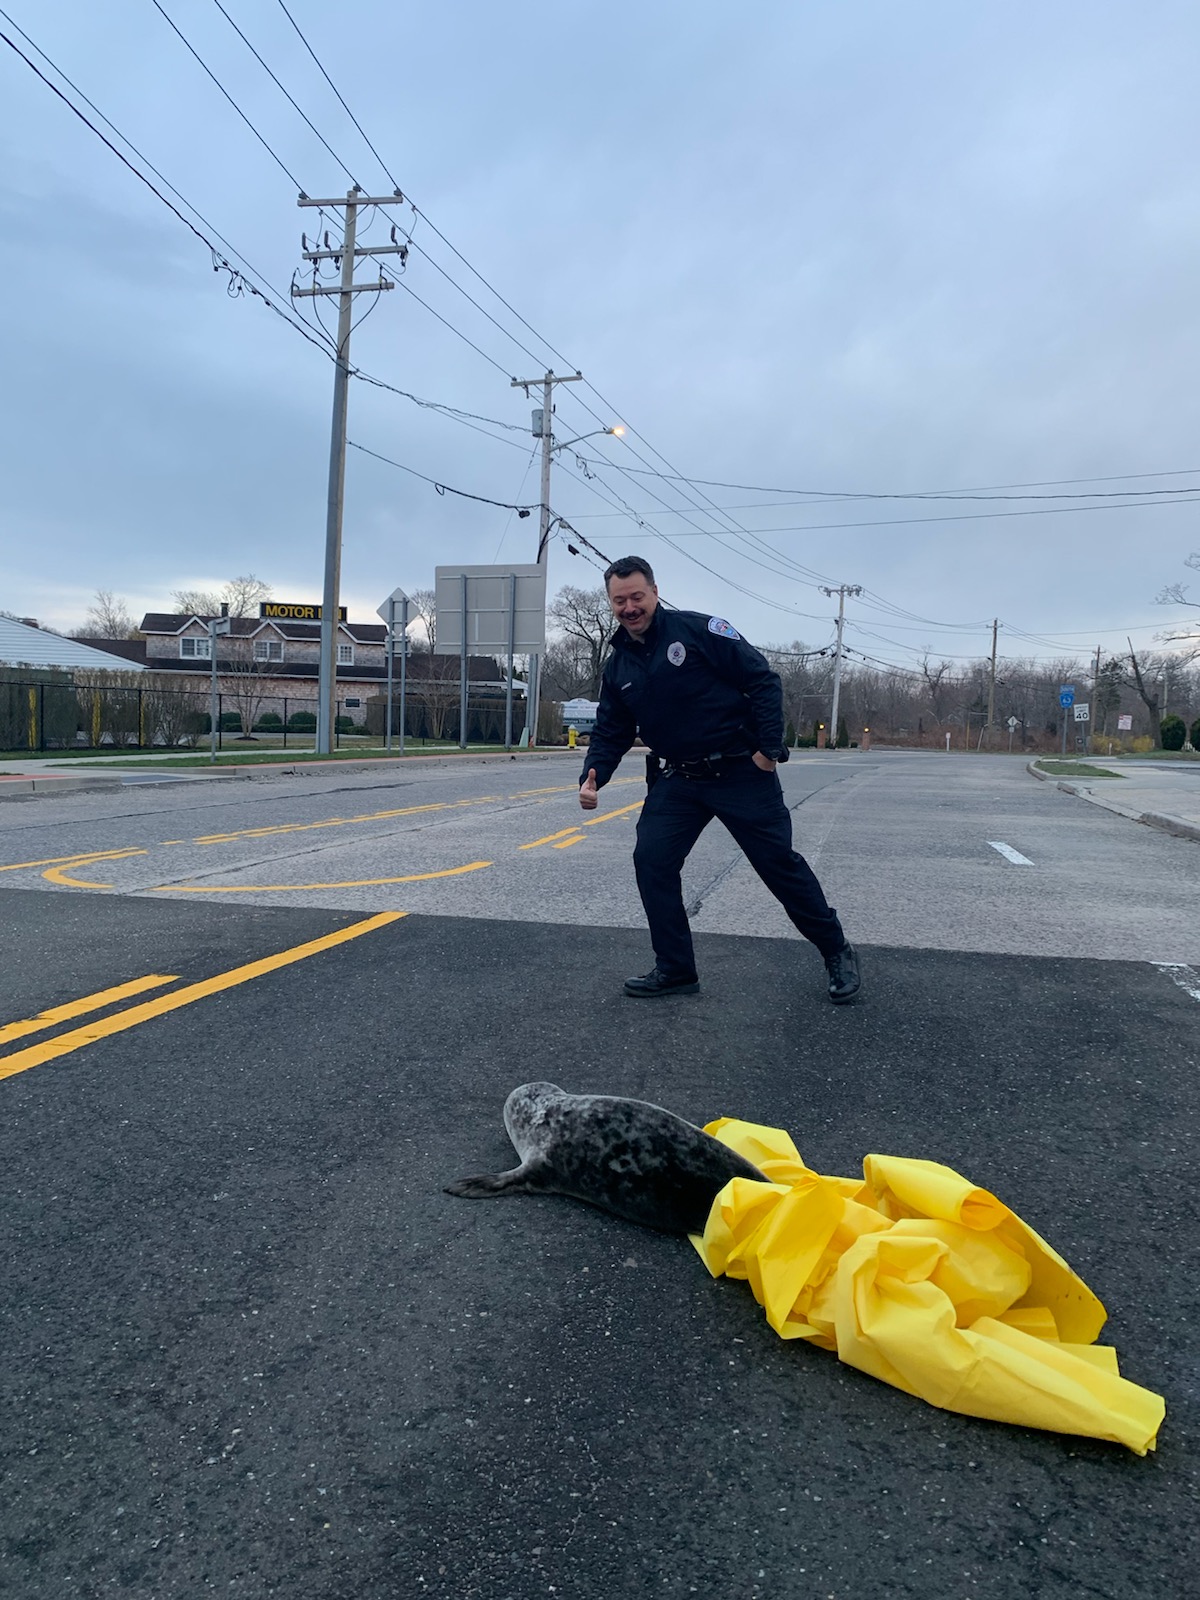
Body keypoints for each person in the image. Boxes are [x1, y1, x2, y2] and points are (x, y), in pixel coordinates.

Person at [578, 556, 861, 1004]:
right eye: (619, 600)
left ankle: (836, 950)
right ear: (611, 603)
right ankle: (675, 969)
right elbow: (612, 729)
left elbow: (763, 680)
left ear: (655, 592)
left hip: (740, 773)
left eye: (637, 596)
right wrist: (594, 775)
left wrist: (769, 752)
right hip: (679, 779)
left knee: (779, 868)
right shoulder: (618, 668)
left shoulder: (699, 631)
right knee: (652, 861)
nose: (630, 607)